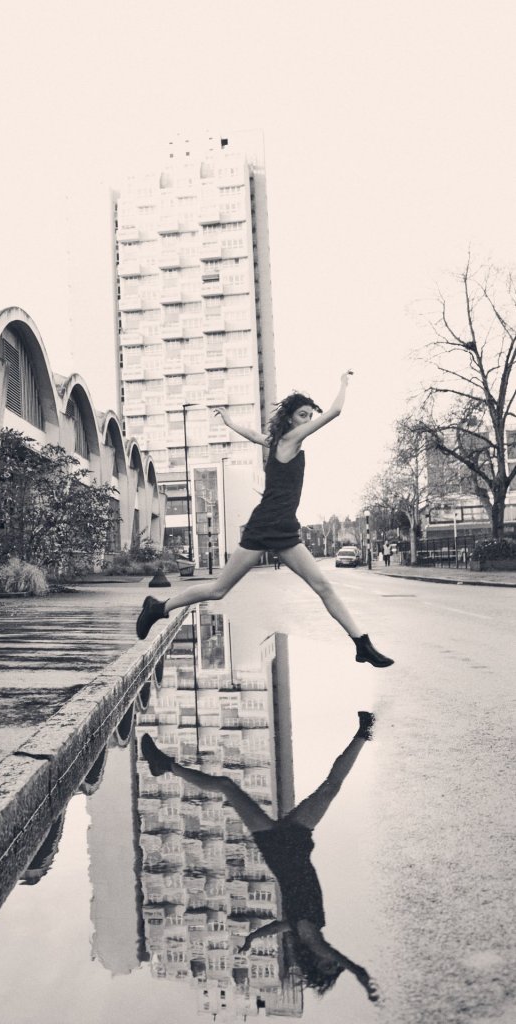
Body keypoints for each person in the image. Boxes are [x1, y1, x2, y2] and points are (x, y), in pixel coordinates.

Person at [136, 372, 394, 668]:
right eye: (302, 415)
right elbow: (335, 412)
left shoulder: (275, 442)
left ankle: (362, 643)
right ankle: (158, 608)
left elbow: (254, 436)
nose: (307, 420)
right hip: (264, 526)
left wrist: (230, 423)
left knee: (323, 585)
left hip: (284, 528)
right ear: (290, 418)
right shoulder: (290, 439)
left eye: (310, 415)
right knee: (219, 589)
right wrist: (343, 383)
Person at [140, 714, 381, 1004]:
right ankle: (365, 731)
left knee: (227, 786)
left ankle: (165, 765)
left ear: (315, 962)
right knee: (330, 786)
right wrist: (254, 939)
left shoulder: (308, 935)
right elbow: (273, 928)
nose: (333, 960)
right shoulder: (303, 926)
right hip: (298, 842)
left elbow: (322, 947)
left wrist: (358, 972)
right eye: (336, 965)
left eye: (329, 965)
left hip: (277, 848)